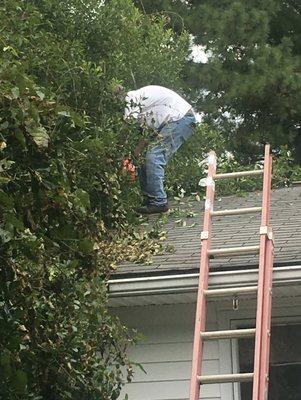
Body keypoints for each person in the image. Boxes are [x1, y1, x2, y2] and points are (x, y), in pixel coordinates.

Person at [125, 85, 197, 214]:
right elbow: (146, 135)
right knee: (142, 158)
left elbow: (127, 125)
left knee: (154, 156)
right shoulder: (141, 106)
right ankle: (150, 200)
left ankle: (159, 202)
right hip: (170, 121)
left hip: (180, 118)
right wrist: (134, 154)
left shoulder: (130, 99)